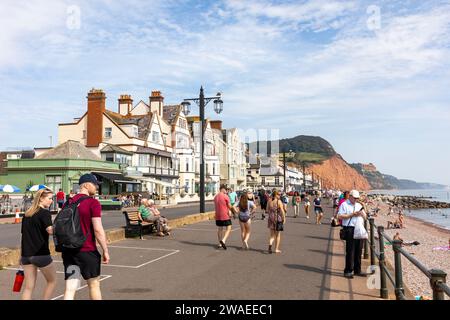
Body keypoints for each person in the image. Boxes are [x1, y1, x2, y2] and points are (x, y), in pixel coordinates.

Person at [61, 173, 109, 300]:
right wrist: (105, 250)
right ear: (87, 185)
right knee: (93, 285)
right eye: (95, 185)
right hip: (87, 250)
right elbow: (98, 230)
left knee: (70, 287)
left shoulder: (68, 203)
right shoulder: (93, 203)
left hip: (69, 250)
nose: (97, 188)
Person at [20, 188, 57, 300]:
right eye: (49, 198)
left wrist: (21, 256)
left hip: (26, 255)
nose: (51, 201)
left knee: (28, 287)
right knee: (52, 281)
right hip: (40, 254)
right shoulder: (45, 213)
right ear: (41, 198)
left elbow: (24, 236)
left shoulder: (27, 214)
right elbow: (50, 231)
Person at [338, 189, 367, 279]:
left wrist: (362, 213)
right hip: (349, 229)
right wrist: (352, 215)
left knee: (359, 250)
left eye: (357, 198)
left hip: (359, 228)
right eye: (354, 198)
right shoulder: (344, 204)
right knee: (350, 251)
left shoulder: (359, 205)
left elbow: (365, 217)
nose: (356, 200)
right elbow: (339, 216)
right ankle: (348, 271)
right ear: (350, 196)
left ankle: (357, 270)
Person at [214, 185, 235, 250]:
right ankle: (223, 240)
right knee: (229, 227)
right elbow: (230, 206)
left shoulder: (215, 197)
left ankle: (220, 243)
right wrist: (234, 213)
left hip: (218, 215)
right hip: (225, 215)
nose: (226, 191)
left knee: (220, 228)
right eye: (226, 190)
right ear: (222, 189)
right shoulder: (225, 196)